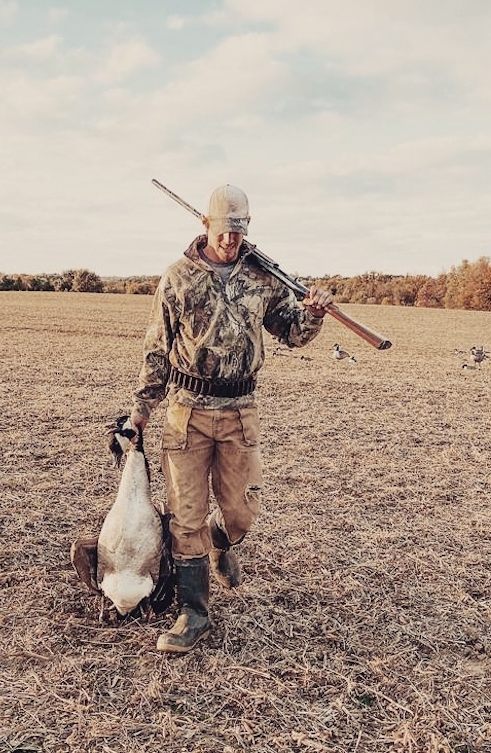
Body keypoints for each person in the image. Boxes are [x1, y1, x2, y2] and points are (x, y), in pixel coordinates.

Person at [130, 183, 333, 653]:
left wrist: (314, 313)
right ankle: (193, 612)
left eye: (238, 232)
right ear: (206, 225)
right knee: (186, 515)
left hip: (241, 410)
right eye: (223, 231)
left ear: (247, 228)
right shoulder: (177, 277)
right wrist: (141, 411)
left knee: (242, 512)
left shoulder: (264, 278)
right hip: (187, 411)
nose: (230, 241)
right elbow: (157, 350)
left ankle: (222, 542)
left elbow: (292, 333)